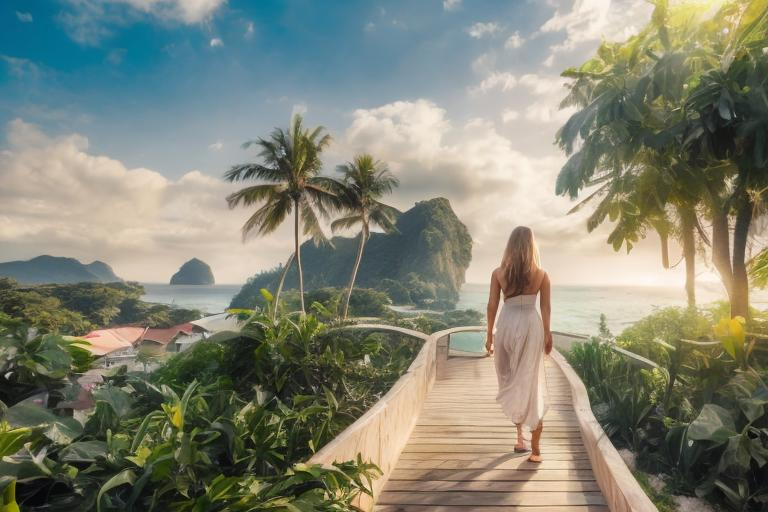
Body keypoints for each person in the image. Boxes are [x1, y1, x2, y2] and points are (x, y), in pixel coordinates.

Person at [485, 226, 552, 463]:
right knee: (530, 380)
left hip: (506, 324)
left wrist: (489, 335)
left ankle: (519, 437)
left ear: (510, 245)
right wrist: (547, 333)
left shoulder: (498, 273)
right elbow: (545, 307)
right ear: (532, 245)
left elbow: (492, 305)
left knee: (509, 378)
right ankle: (535, 448)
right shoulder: (541, 274)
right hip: (531, 326)